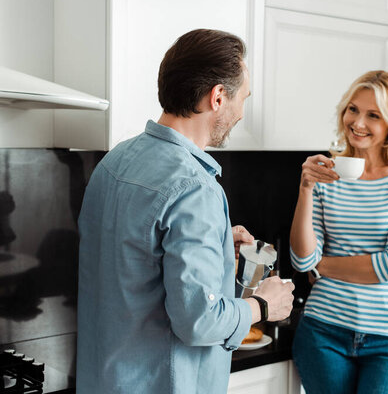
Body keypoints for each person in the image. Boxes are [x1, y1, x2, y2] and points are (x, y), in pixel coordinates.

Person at [76, 29, 294, 394]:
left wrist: (219, 243)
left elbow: (136, 264)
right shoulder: (195, 187)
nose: (242, 112)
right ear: (218, 97)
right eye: (244, 98)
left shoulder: (114, 161)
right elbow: (200, 321)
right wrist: (263, 305)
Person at [290, 70, 388, 394]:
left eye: (373, 115)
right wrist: (306, 188)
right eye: (353, 109)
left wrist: (322, 267)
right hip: (323, 332)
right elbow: (302, 259)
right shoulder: (326, 174)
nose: (358, 122)